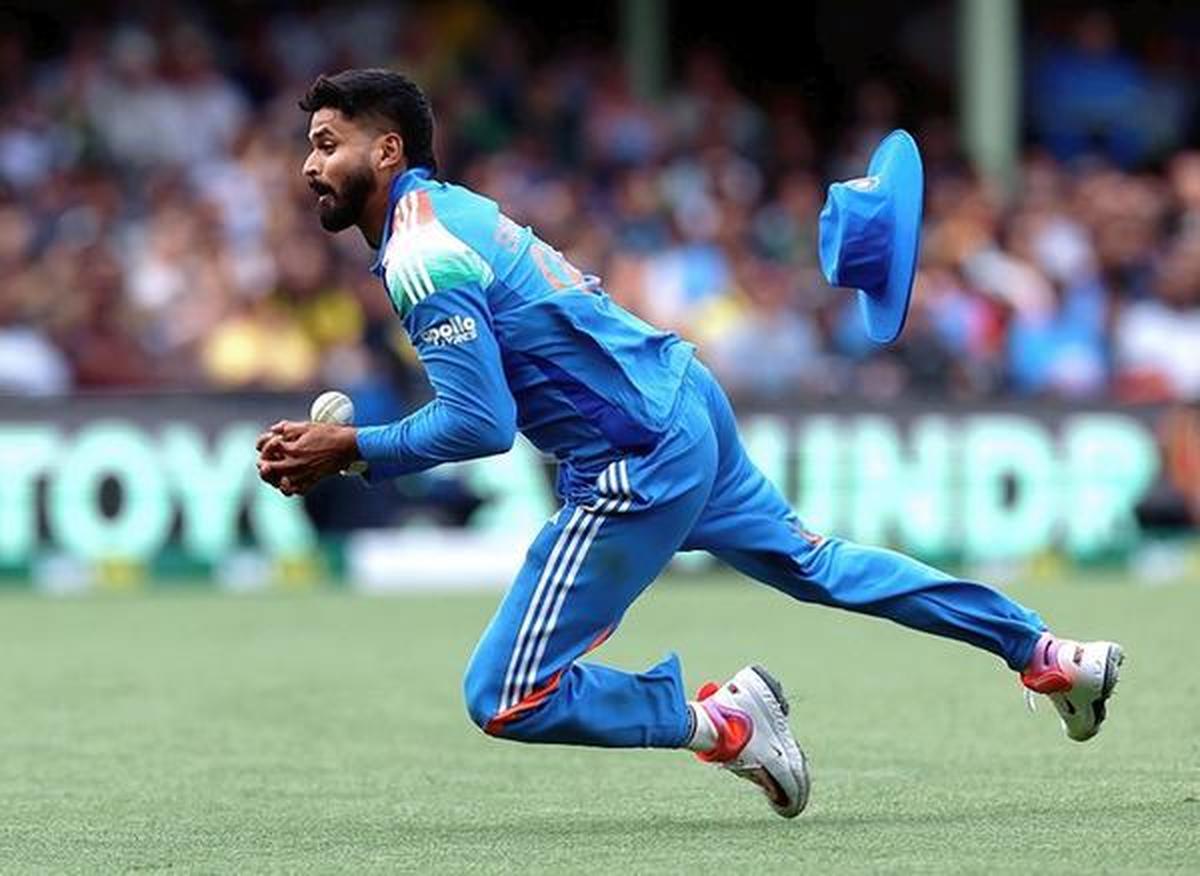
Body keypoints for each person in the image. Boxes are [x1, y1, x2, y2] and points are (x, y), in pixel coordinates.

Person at [256, 69, 1123, 819]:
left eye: (327, 143)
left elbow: (480, 423)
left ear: (388, 151)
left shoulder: (420, 251)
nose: (308, 164)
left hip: (636, 455)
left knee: (504, 694)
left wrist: (352, 448)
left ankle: (726, 724)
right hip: (680, 396)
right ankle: (1047, 654)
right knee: (816, 563)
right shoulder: (453, 213)